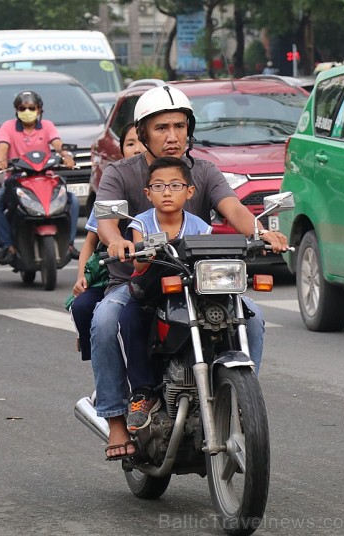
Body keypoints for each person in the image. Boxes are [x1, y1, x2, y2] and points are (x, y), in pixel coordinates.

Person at [92, 85, 287, 460]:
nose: (172, 136)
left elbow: (233, 209)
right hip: (137, 280)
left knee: (254, 318)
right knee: (104, 320)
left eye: (179, 126)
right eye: (162, 127)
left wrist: (261, 233)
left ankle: (241, 402)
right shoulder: (121, 172)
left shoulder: (206, 171)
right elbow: (106, 221)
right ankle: (117, 418)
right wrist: (116, 241)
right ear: (143, 132)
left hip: (198, 279)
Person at [122, 156, 212, 432]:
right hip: (149, 294)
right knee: (129, 318)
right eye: (159, 186)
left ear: (190, 191)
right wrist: (145, 250)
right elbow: (137, 261)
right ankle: (142, 393)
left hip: (190, 294)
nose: (167, 192)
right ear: (147, 193)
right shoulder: (141, 222)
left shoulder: (200, 226)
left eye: (175, 185)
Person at [70, 122, 145, 359]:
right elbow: (91, 243)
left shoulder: (164, 185)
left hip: (150, 275)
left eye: (141, 142)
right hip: (110, 275)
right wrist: (82, 276)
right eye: (130, 143)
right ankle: (100, 364)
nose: (137, 149)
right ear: (121, 150)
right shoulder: (111, 188)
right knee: (83, 308)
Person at [0, 91, 79, 264]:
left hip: (46, 177)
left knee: (72, 200)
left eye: (31, 108)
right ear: (16, 110)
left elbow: (57, 144)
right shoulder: (8, 127)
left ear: (39, 110)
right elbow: (2, 148)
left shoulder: (47, 126)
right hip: (16, 179)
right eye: (23, 108)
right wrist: (1, 161)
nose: (27, 111)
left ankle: (70, 244)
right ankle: (8, 246)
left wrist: (65, 156)